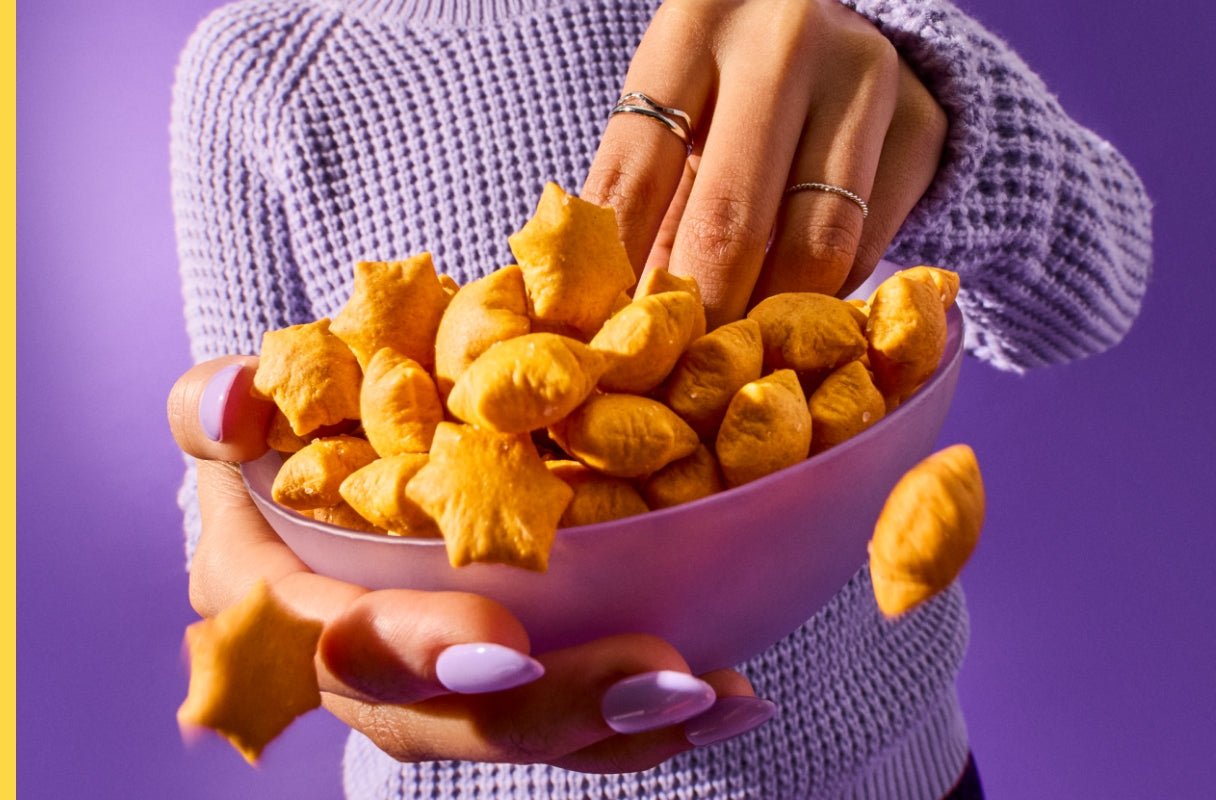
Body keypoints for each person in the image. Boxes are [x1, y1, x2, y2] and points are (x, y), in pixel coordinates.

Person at [162, 0, 1152, 797]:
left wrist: (931, 102)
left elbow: (1106, 278)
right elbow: (256, 482)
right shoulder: (257, 69)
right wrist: (252, 553)